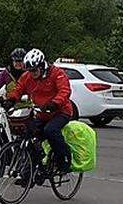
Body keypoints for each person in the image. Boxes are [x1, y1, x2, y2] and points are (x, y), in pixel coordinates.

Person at [6, 49, 75, 183]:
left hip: (61, 112)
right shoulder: (28, 76)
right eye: (30, 71)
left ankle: (64, 161)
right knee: (28, 134)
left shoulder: (57, 74)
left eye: (34, 71)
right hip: (42, 113)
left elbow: (65, 90)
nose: (32, 74)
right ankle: (30, 173)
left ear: (42, 66)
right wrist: (11, 100)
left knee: (50, 131)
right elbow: (18, 88)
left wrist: (54, 103)